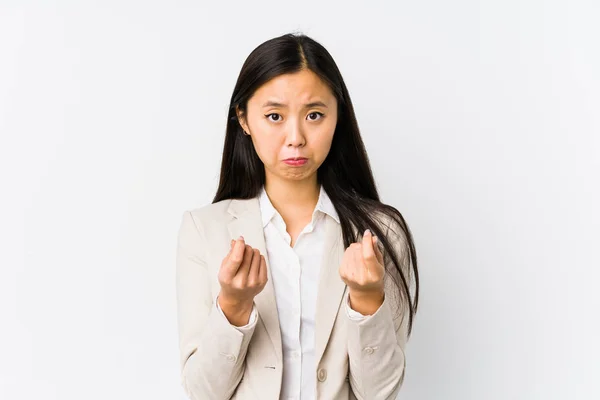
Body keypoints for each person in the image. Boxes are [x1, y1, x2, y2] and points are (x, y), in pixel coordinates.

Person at [175, 33, 419, 400]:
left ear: (338, 116)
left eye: (315, 115)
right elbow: (204, 392)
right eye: (274, 116)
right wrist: (234, 306)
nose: (296, 137)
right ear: (243, 118)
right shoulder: (203, 230)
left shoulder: (382, 233)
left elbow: (379, 393)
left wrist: (367, 299)